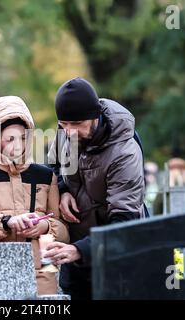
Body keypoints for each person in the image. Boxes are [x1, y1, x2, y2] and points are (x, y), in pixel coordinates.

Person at [45, 77, 145, 299]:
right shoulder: (65, 129)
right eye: (64, 124)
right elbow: (52, 167)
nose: (69, 132)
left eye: (77, 124)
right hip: (74, 251)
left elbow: (126, 223)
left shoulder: (125, 153)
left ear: (95, 116)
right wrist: (62, 190)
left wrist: (80, 250)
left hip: (114, 257)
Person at [0, 96, 69, 295]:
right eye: (9, 139)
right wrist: (6, 223)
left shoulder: (45, 176)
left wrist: (45, 226)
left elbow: (63, 232)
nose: (17, 146)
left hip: (42, 276)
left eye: (22, 138)